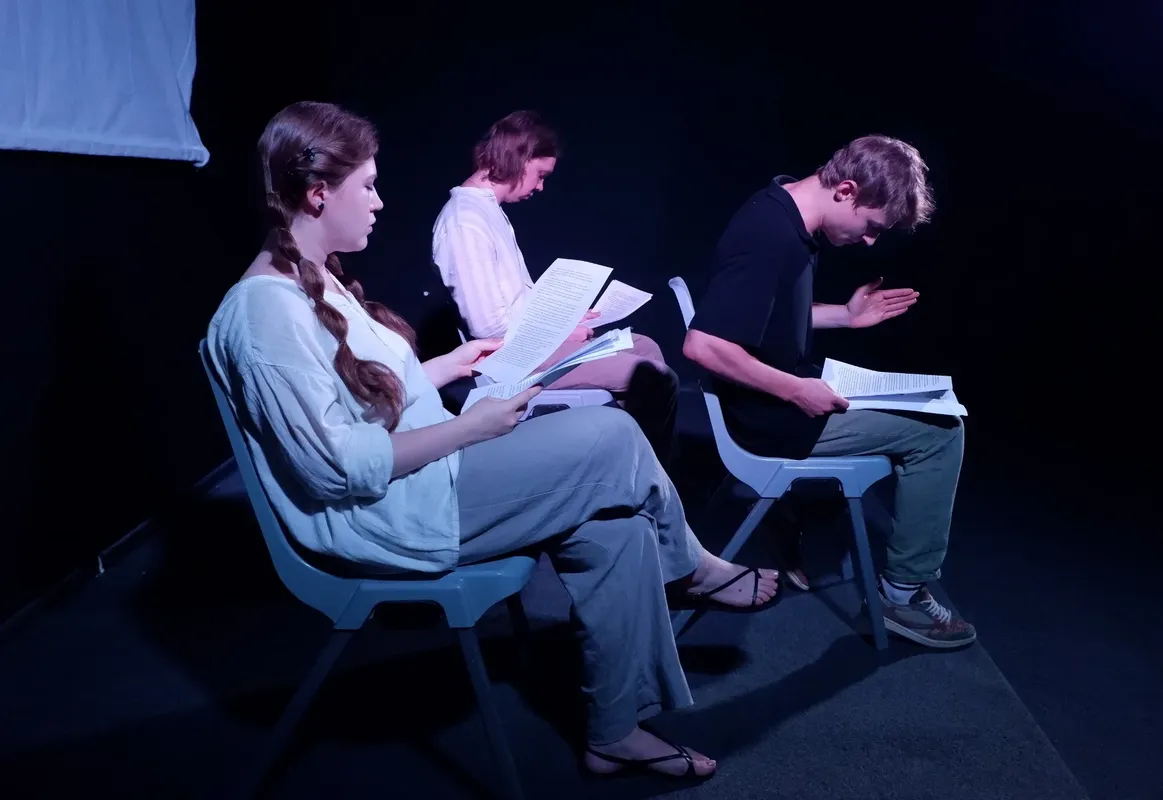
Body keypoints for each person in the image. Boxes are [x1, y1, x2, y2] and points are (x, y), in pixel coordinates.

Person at [206, 101, 780, 779]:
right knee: (613, 433)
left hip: (426, 478)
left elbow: (364, 398)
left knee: (620, 530)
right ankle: (690, 566)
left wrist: (451, 365)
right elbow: (338, 468)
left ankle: (614, 731)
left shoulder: (312, 281)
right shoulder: (264, 313)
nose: (381, 202)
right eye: (368, 185)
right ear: (318, 193)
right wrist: (471, 425)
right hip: (388, 515)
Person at [683, 135, 975, 649]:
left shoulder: (787, 212)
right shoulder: (769, 234)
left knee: (928, 409)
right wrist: (796, 391)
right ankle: (902, 596)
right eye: (873, 227)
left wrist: (845, 315)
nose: (870, 242)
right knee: (941, 433)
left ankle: (807, 524)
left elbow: (765, 317)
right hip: (770, 417)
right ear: (846, 190)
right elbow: (703, 344)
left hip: (779, 398)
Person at [430, 110, 679, 464]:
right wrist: (559, 331)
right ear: (518, 160)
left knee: (646, 347)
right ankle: (641, 473)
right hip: (511, 360)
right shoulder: (465, 220)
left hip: (528, 346)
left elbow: (514, 302)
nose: (540, 187)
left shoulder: (488, 212)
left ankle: (635, 464)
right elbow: (488, 327)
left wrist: (568, 314)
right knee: (654, 379)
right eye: (540, 175)